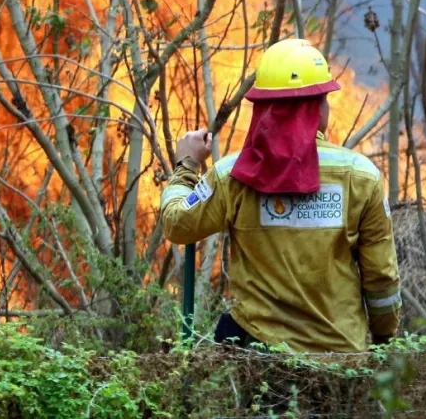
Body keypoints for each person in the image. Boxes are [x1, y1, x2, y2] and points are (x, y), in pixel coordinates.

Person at [160, 39, 401, 352]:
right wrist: (383, 342)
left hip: (257, 361)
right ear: (320, 107)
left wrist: (187, 165)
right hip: (341, 360)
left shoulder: (232, 174)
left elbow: (177, 223)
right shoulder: (362, 176)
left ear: (262, 107)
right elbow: (381, 278)